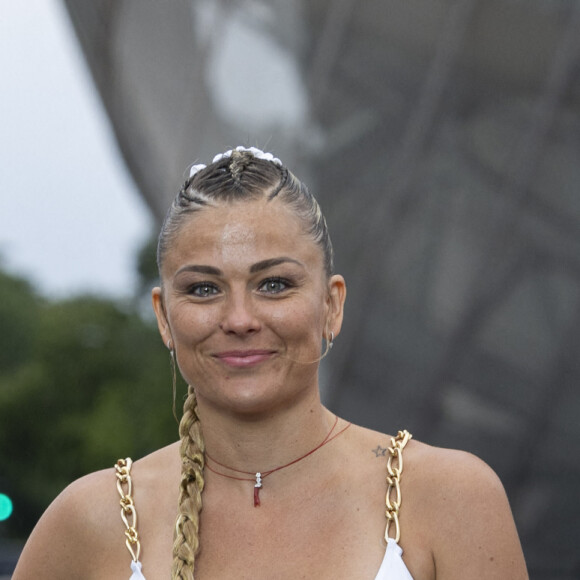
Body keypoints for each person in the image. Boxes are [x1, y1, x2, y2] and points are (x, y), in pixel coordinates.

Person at [13, 146, 528, 580]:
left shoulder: (449, 498)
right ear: (164, 316)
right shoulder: (92, 519)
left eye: (274, 284)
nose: (239, 318)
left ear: (332, 305)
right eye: (203, 288)